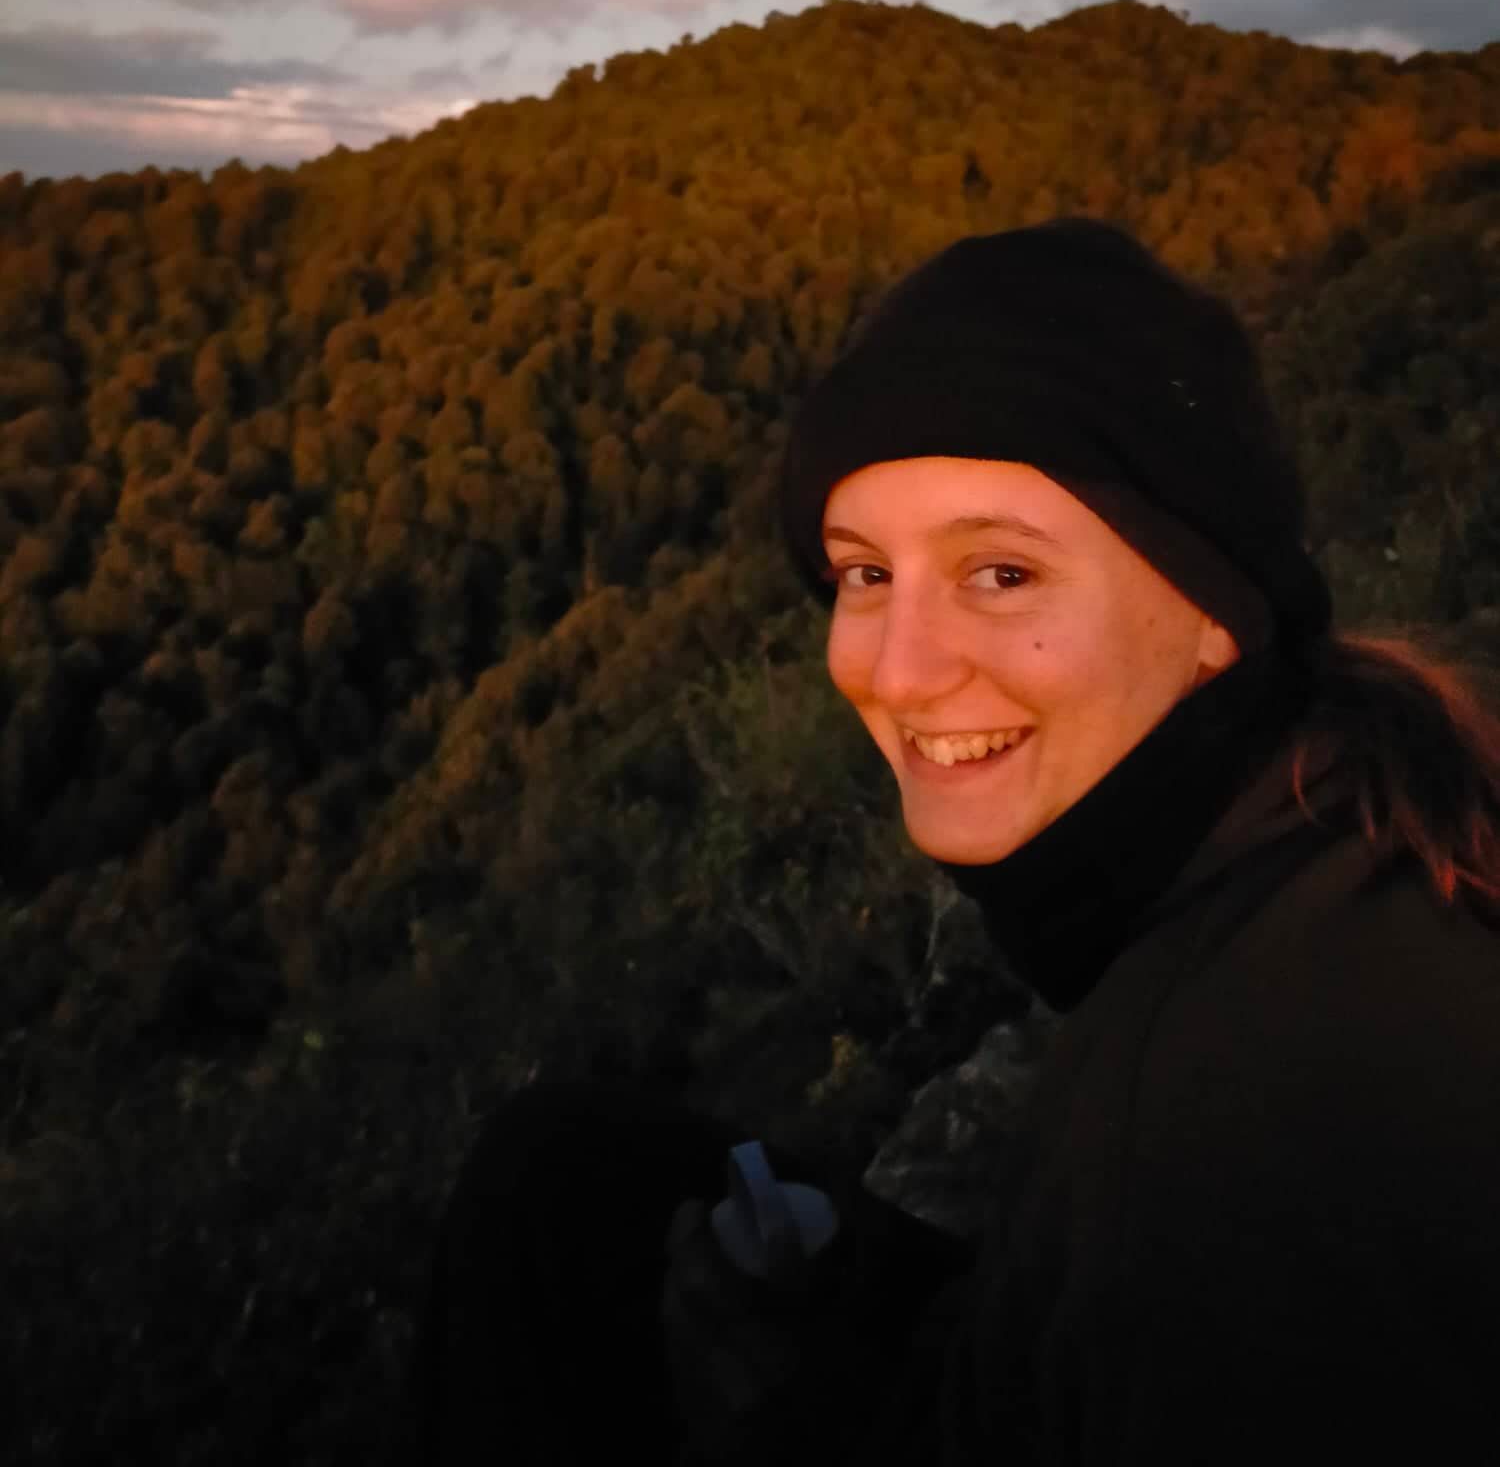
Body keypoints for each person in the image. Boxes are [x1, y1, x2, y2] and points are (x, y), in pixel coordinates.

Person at [401, 218, 1500, 1465]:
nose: (901, 670)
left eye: (1002, 573)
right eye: (865, 574)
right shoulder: (1322, 833)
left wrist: (794, 1422)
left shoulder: (1227, 1159)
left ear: (1216, 610)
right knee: (567, 1184)